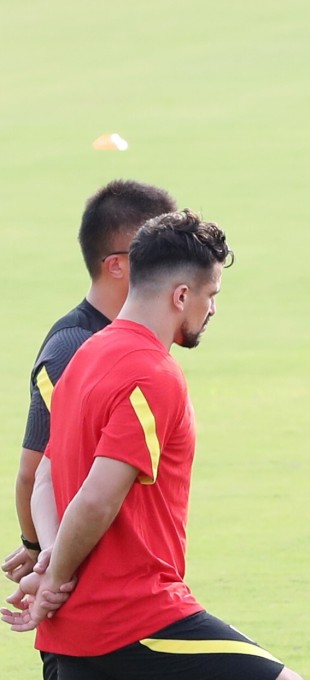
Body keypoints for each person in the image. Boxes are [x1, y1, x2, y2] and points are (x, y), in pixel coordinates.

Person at [0, 210, 302, 680]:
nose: (213, 310)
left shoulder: (83, 354)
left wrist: (52, 560)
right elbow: (97, 499)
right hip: (136, 620)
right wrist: (54, 577)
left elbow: (44, 474)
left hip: (76, 634)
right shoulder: (153, 373)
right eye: (211, 295)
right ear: (181, 296)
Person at [2, 179, 177, 680]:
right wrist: (42, 556)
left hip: (121, 592)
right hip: (84, 605)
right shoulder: (74, 348)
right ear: (117, 264)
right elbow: (35, 472)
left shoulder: (130, 339)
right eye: (155, 250)